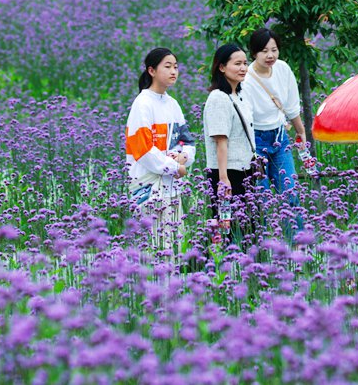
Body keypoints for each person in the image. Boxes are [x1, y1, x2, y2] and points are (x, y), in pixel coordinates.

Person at [125, 48, 196, 260]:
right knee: (153, 246)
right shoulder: (142, 103)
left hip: (172, 187)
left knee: (174, 243)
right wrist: (176, 167)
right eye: (167, 66)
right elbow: (143, 150)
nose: (174, 71)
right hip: (148, 187)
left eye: (175, 67)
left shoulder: (172, 104)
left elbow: (188, 141)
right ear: (152, 70)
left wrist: (183, 158)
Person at [242, 28, 307, 236]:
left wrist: (300, 132)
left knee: (289, 191)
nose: (270, 55)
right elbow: (246, 116)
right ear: (254, 53)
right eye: (264, 51)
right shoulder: (246, 78)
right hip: (255, 142)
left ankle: (297, 244)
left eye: (274, 50)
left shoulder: (283, 69)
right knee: (260, 196)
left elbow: (291, 105)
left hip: (280, 138)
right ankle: (263, 245)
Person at [203, 44, 258, 243]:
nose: (243, 68)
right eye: (237, 64)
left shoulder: (239, 95)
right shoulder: (218, 98)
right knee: (227, 229)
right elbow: (221, 142)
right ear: (222, 67)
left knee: (248, 228)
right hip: (228, 173)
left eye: (245, 63)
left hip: (245, 170)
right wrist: (223, 179)